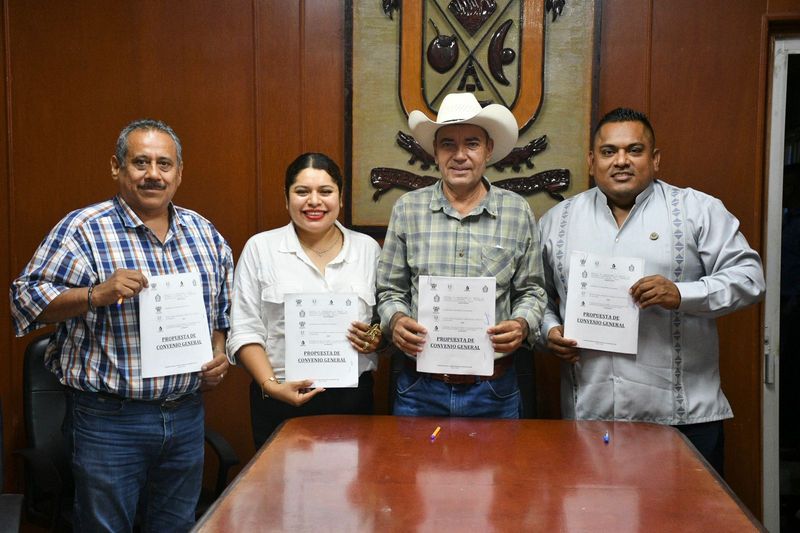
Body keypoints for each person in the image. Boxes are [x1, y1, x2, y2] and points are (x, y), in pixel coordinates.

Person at [10, 119, 233, 532]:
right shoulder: (84, 229)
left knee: (176, 526)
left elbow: (220, 314)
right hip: (109, 421)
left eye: (164, 164)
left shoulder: (205, 234)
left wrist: (218, 353)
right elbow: (25, 300)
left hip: (185, 416)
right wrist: (95, 294)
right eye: (141, 162)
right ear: (117, 167)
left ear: (179, 172)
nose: (153, 174)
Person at [539, 107, 765, 475]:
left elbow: (750, 278)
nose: (621, 161)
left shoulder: (697, 210)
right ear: (592, 161)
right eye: (609, 151)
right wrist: (549, 331)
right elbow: (539, 296)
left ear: (655, 159)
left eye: (635, 150)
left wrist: (682, 294)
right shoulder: (557, 221)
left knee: (688, 512)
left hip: (684, 420)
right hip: (590, 415)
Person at [377, 92, 547, 418]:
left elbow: (532, 290)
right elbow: (389, 290)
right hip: (419, 389)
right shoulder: (407, 209)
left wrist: (522, 323)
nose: (459, 155)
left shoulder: (517, 211)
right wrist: (396, 320)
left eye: (471, 143)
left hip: (494, 391)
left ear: (488, 150)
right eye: (448, 145)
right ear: (435, 152)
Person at [227, 152, 382, 449]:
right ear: (286, 199)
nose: (314, 201)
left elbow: (380, 321)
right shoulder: (261, 248)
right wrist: (271, 387)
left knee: (352, 480)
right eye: (302, 191)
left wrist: (375, 337)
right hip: (280, 397)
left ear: (340, 197)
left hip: (352, 399)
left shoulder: (367, 250)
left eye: (325, 191)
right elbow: (244, 329)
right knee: (281, 480)